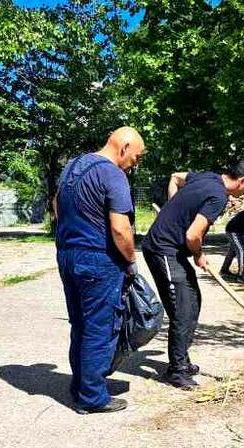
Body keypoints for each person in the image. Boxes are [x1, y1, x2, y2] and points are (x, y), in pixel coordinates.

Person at [142, 159, 244, 389]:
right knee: (182, 307)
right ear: (243, 180)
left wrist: (172, 207)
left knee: (192, 300)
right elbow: (193, 235)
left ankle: (181, 360)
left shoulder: (207, 176)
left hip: (172, 250)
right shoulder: (219, 196)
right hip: (162, 249)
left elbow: (175, 176)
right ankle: (176, 370)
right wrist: (198, 255)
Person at [54, 127, 145, 414]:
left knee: (80, 323)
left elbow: (56, 204)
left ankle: (80, 384)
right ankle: (92, 397)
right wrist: (130, 260)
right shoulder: (112, 174)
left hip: (68, 255)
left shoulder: (73, 166)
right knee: (100, 328)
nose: (136, 163)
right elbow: (120, 228)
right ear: (124, 147)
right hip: (97, 259)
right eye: (137, 156)